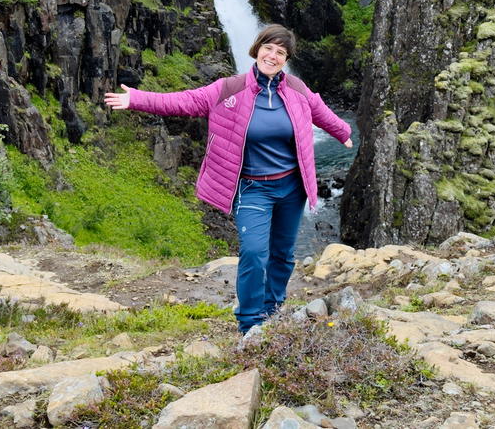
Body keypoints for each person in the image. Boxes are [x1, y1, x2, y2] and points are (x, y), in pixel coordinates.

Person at [104, 24, 353, 334]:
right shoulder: (228, 89)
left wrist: (342, 132)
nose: (272, 56)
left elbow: (320, 111)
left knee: (282, 253)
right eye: (268, 48)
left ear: (286, 59)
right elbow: (185, 102)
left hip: (291, 187)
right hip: (251, 188)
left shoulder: (297, 90)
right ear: (257, 48)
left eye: (281, 52)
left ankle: (273, 308)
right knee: (253, 251)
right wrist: (137, 99)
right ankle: (250, 324)